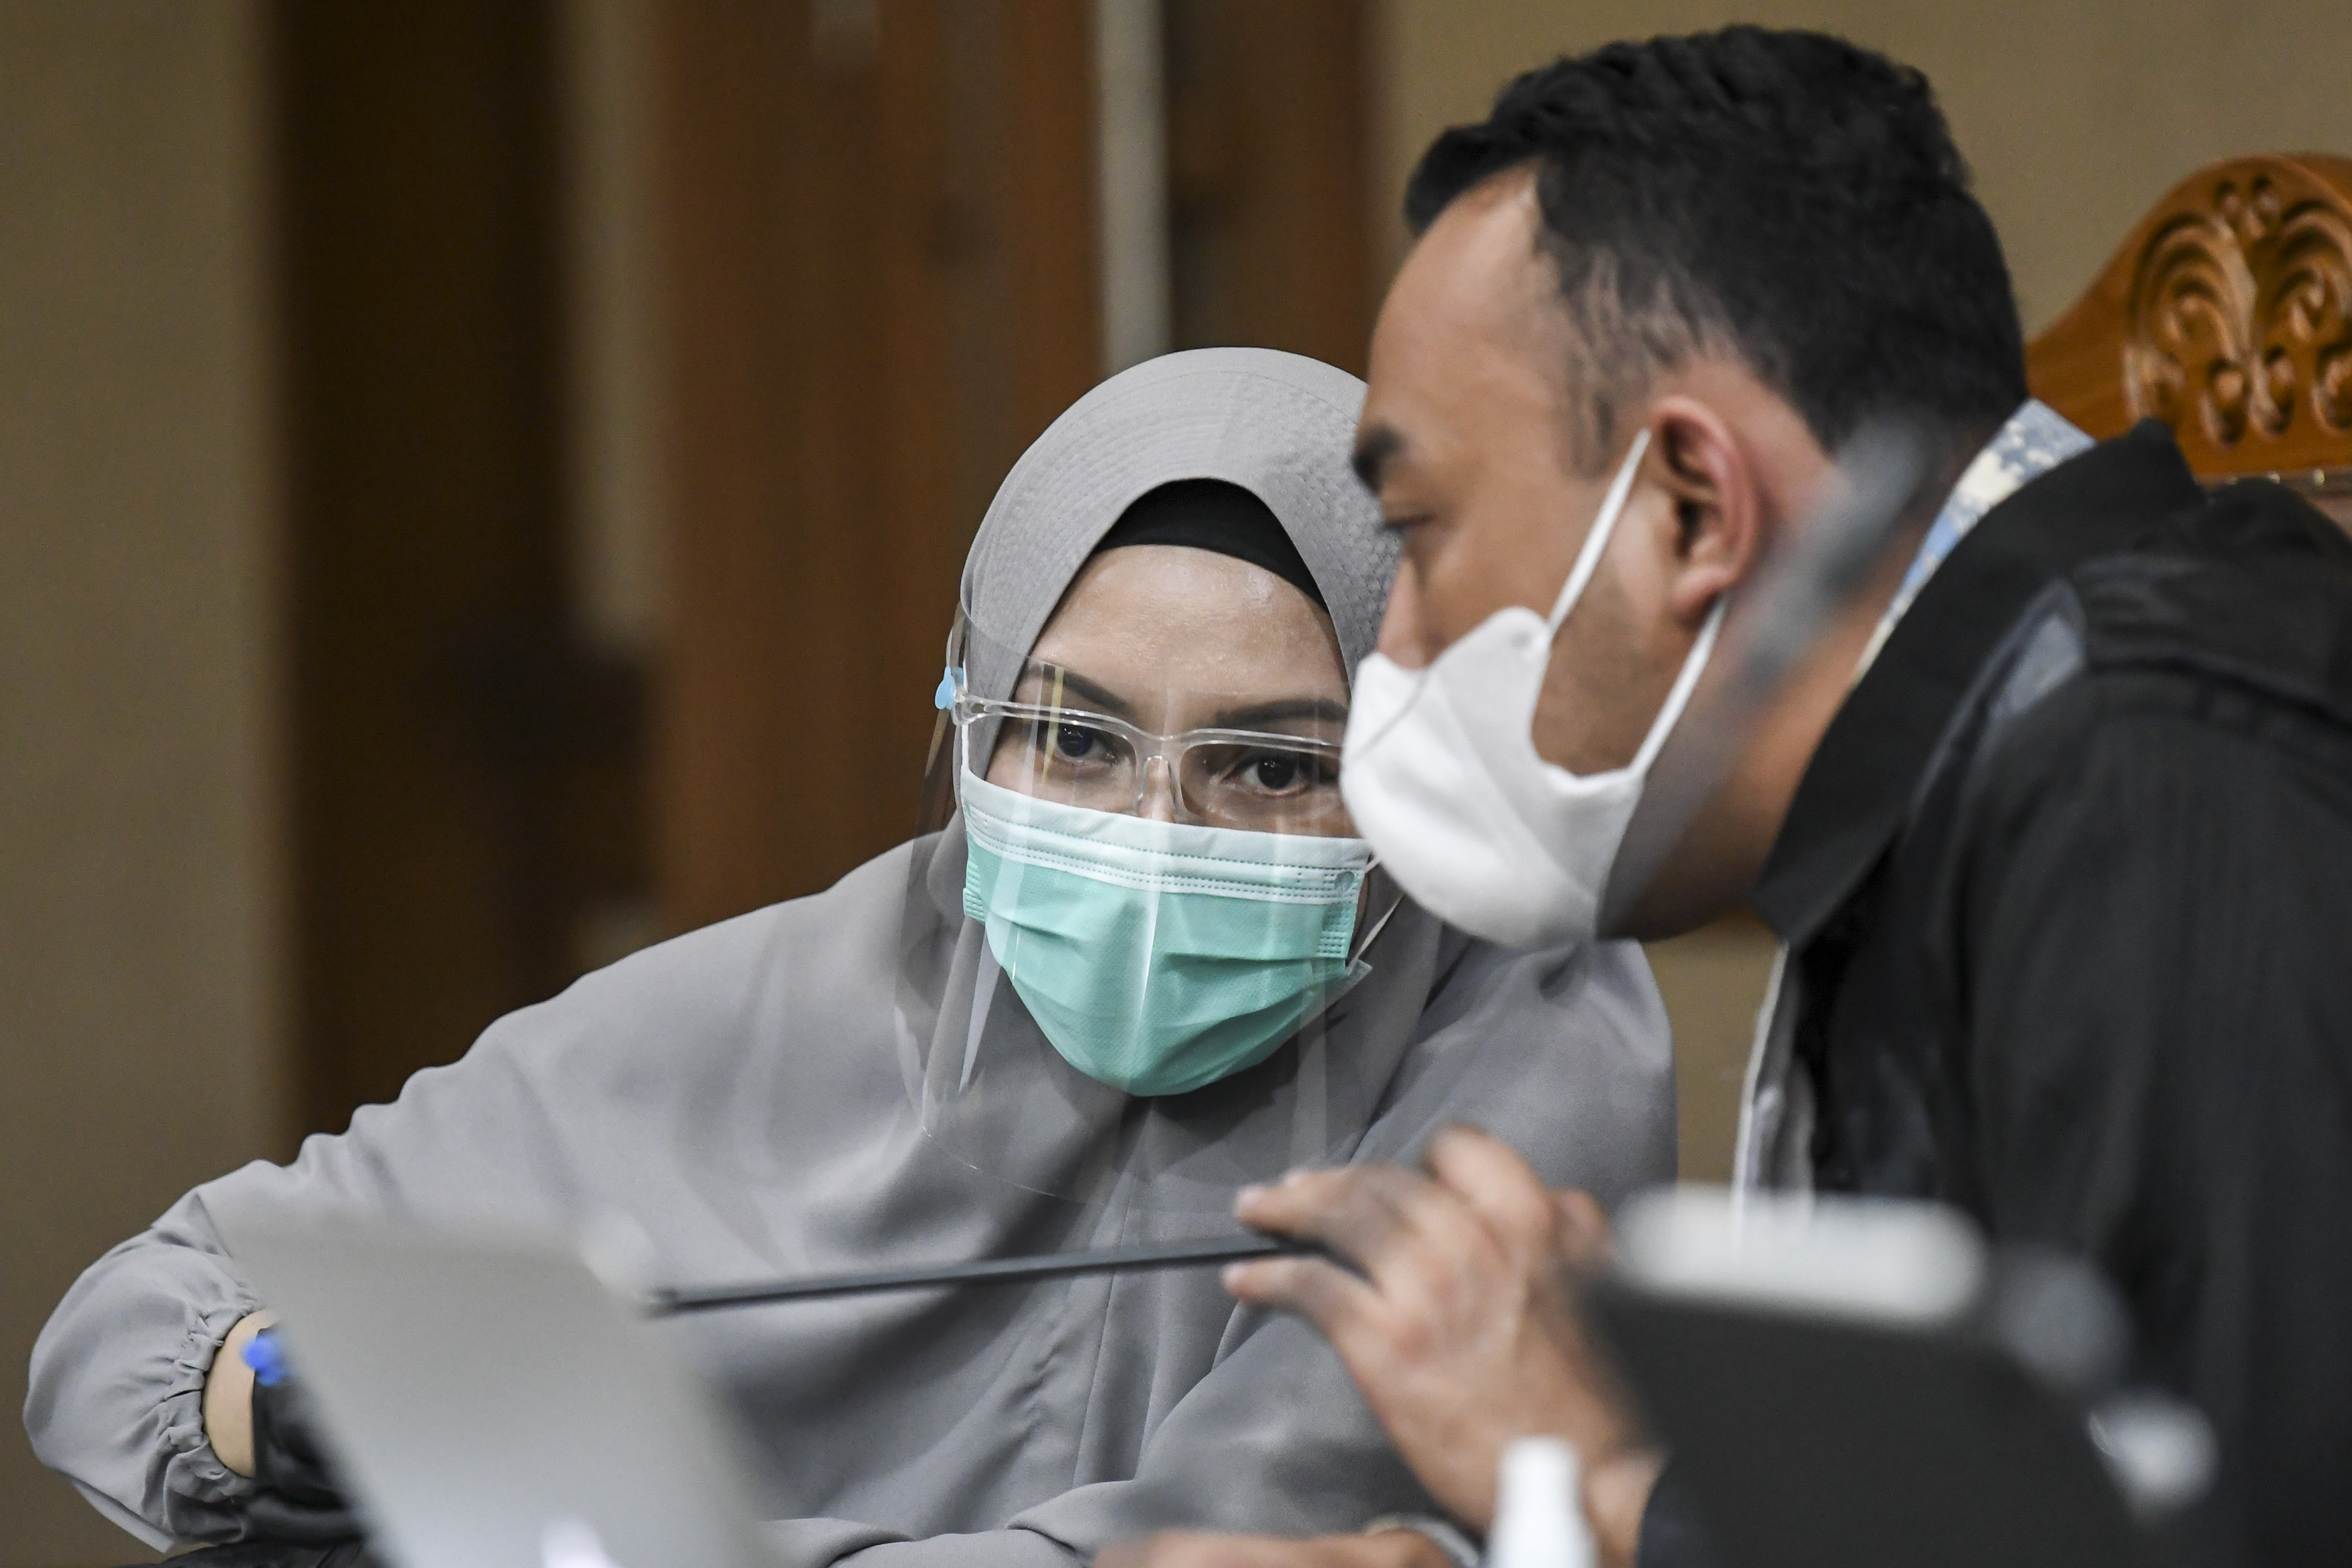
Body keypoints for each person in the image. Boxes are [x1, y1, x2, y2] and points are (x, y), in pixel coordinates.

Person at [26, 348, 1678, 1567]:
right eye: (1073, 739)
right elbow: (136, 1311)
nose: (1156, 830)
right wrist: (274, 1393)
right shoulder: (800, 996)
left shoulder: (1526, 1028)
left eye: (1270, 765)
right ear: (965, 724)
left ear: (1410, 764)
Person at [1102, 30, 2352, 1568]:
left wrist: (1604, 1479)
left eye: (1420, 534)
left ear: (1691, 505)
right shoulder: (1969, 768)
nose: (1398, 652)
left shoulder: (2158, 776)